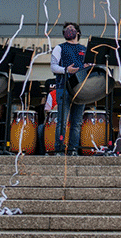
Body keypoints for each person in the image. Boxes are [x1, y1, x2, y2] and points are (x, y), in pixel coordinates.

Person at [50, 22, 87, 155]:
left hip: (80, 89)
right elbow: (53, 67)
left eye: (71, 29)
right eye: (66, 29)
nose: (68, 31)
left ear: (78, 32)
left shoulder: (84, 49)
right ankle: (59, 149)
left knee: (76, 123)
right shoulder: (59, 48)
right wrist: (66, 69)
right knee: (62, 121)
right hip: (63, 87)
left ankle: (73, 150)